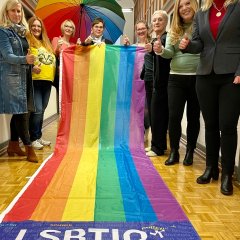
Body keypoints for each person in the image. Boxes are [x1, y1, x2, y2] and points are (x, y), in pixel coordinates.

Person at [179, 0, 240, 195]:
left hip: (232, 75)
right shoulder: (202, 12)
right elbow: (199, 44)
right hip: (205, 75)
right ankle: (210, 168)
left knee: (228, 126)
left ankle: (227, 175)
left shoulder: (237, 7)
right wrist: (187, 46)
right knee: (211, 124)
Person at [154, 0, 200, 165]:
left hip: (197, 77)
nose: (184, 8)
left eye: (188, 3)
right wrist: (160, 51)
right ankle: (174, 151)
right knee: (174, 117)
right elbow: (169, 53)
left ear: (195, 5)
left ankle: (190, 152)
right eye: (180, 6)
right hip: (175, 78)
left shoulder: (201, 26)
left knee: (193, 117)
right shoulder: (174, 29)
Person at [0, 0, 38, 162]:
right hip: (12, 78)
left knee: (23, 110)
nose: (17, 14)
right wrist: (25, 59)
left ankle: (13, 144)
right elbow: (7, 56)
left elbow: (24, 56)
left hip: (25, 76)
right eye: (14, 11)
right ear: (6, 13)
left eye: (19, 11)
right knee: (22, 113)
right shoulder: (3, 32)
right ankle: (29, 148)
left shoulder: (21, 32)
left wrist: (32, 66)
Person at [144, 10, 171, 157]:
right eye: (154, 20)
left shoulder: (167, 38)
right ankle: (156, 144)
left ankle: (158, 147)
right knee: (155, 115)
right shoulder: (156, 39)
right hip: (156, 83)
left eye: (160, 20)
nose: (156, 22)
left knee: (159, 115)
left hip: (164, 83)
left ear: (166, 22)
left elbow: (164, 52)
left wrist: (153, 48)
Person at [27, 16, 56, 149]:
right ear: (30, 26)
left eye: (39, 26)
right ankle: (33, 138)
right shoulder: (28, 41)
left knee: (42, 109)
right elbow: (25, 59)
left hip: (47, 80)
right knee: (37, 109)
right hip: (35, 80)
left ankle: (38, 136)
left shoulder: (46, 43)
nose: (36, 28)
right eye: (34, 26)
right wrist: (32, 68)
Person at [123, 20, 152, 143]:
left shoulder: (151, 45)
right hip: (135, 82)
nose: (140, 31)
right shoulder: (133, 47)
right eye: (138, 29)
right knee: (136, 109)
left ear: (147, 29)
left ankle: (148, 133)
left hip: (148, 82)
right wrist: (127, 49)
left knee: (147, 109)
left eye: (142, 28)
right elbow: (128, 63)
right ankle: (138, 134)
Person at [52, 19, 80, 91]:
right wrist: (58, 46)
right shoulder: (56, 39)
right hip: (60, 75)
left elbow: (76, 60)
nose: (68, 28)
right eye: (66, 26)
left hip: (70, 76)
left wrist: (79, 48)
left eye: (71, 27)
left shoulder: (74, 45)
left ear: (73, 30)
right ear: (63, 28)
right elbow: (54, 54)